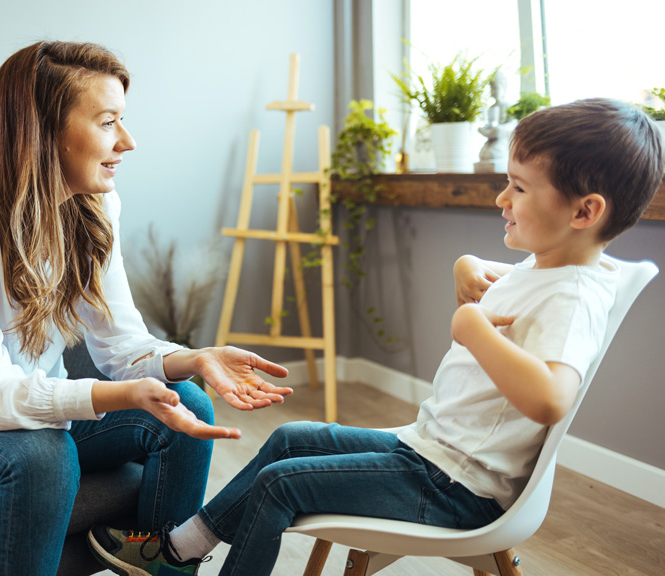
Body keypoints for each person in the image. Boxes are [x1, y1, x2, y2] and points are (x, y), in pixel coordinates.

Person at [87, 97, 664, 576]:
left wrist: (469, 329)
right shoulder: (547, 265)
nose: (500, 199)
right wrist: (464, 262)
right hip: (429, 451)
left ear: (584, 211)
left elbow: (550, 398)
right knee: (291, 439)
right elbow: (504, 282)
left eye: (518, 187)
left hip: (456, 487)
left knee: (281, 484)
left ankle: (181, 557)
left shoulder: (575, 295)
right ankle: (180, 552)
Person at [0, 41, 292, 576]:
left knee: (187, 402)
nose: (128, 141)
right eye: (108, 121)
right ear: (41, 130)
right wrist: (120, 394)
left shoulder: (93, 201)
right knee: (43, 455)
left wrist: (197, 358)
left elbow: (122, 346)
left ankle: (163, 564)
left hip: (37, 420)